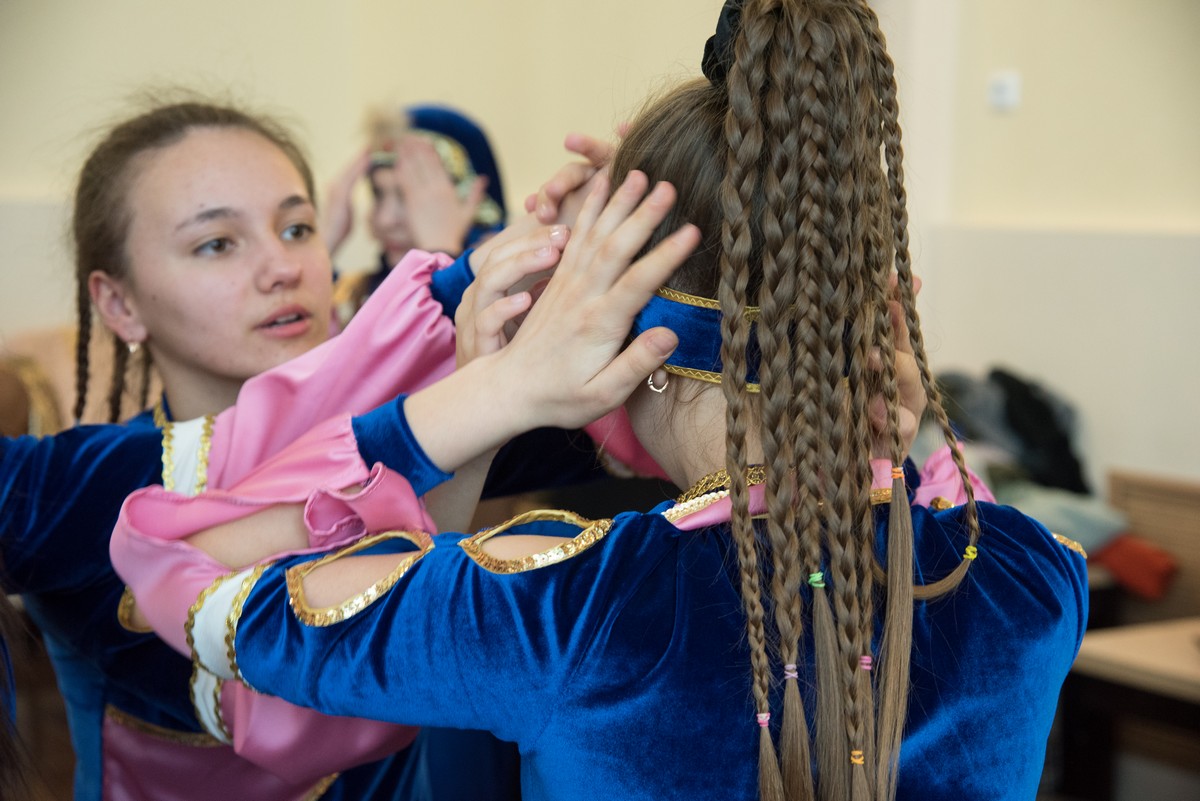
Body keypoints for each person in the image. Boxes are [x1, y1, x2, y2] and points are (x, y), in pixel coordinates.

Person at [112, 3, 1088, 799]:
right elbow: (910, 505)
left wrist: (496, 390)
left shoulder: (558, 606)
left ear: (628, 342)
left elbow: (176, 565)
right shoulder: (1033, 578)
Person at [0, 96, 572, 801]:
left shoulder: (425, 412)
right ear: (119, 304)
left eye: (298, 228)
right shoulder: (86, 493)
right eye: (217, 243)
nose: (282, 267)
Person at [324, 104, 507, 327]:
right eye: (377, 193)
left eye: (407, 196)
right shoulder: (358, 295)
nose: (385, 220)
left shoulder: (510, 300)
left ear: (474, 200)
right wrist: (324, 241)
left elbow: (430, 341)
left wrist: (440, 254)